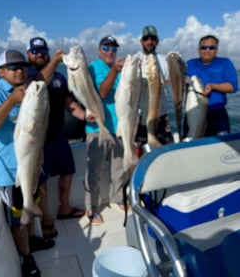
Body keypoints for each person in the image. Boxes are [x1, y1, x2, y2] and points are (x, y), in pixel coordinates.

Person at [0, 49, 55, 277]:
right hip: (8, 174)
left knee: (30, 208)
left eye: (23, 67)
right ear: (0, 72)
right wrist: (11, 101)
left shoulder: (30, 91)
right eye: (13, 67)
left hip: (31, 165)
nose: (20, 71)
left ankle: (32, 240)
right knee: (17, 220)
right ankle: (27, 259)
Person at [26, 37, 95, 238]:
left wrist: (86, 117)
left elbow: (69, 103)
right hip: (39, 141)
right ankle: (46, 218)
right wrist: (55, 61)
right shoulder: (28, 75)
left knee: (68, 172)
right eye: (36, 51)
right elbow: (37, 84)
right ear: (29, 54)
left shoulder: (60, 78)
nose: (40, 55)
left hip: (59, 136)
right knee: (42, 181)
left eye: (43, 51)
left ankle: (64, 208)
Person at [84, 36, 128, 225]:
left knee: (119, 168)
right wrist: (116, 71)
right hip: (97, 127)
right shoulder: (93, 68)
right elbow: (103, 91)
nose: (110, 51)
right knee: (94, 171)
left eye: (113, 48)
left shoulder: (122, 70)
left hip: (120, 127)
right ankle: (91, 207)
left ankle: (117, 198)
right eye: (106, 47)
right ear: (99, 50)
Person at [183, 34, 238, 137]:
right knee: (190, 142)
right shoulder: (190, 64)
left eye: (211, 47)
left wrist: (213, 86)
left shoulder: (225, 63)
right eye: (203, 47)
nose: (207, 50)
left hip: (217, 114)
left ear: (216, 50)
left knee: (219, 147)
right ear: (198, 49)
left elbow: (232, 86)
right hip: (193, 113)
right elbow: (180, 81)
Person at [134, 25, 174, 157]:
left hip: (161, 113)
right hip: (140, 114)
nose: (149, 42)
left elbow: (171, 81)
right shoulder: (134, 60)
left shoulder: (164, 61)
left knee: (167, 150)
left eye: (153, 39)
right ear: (141, 41)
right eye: (146, 39)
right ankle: (135, 175)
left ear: (157, 41)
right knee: (137, 149)